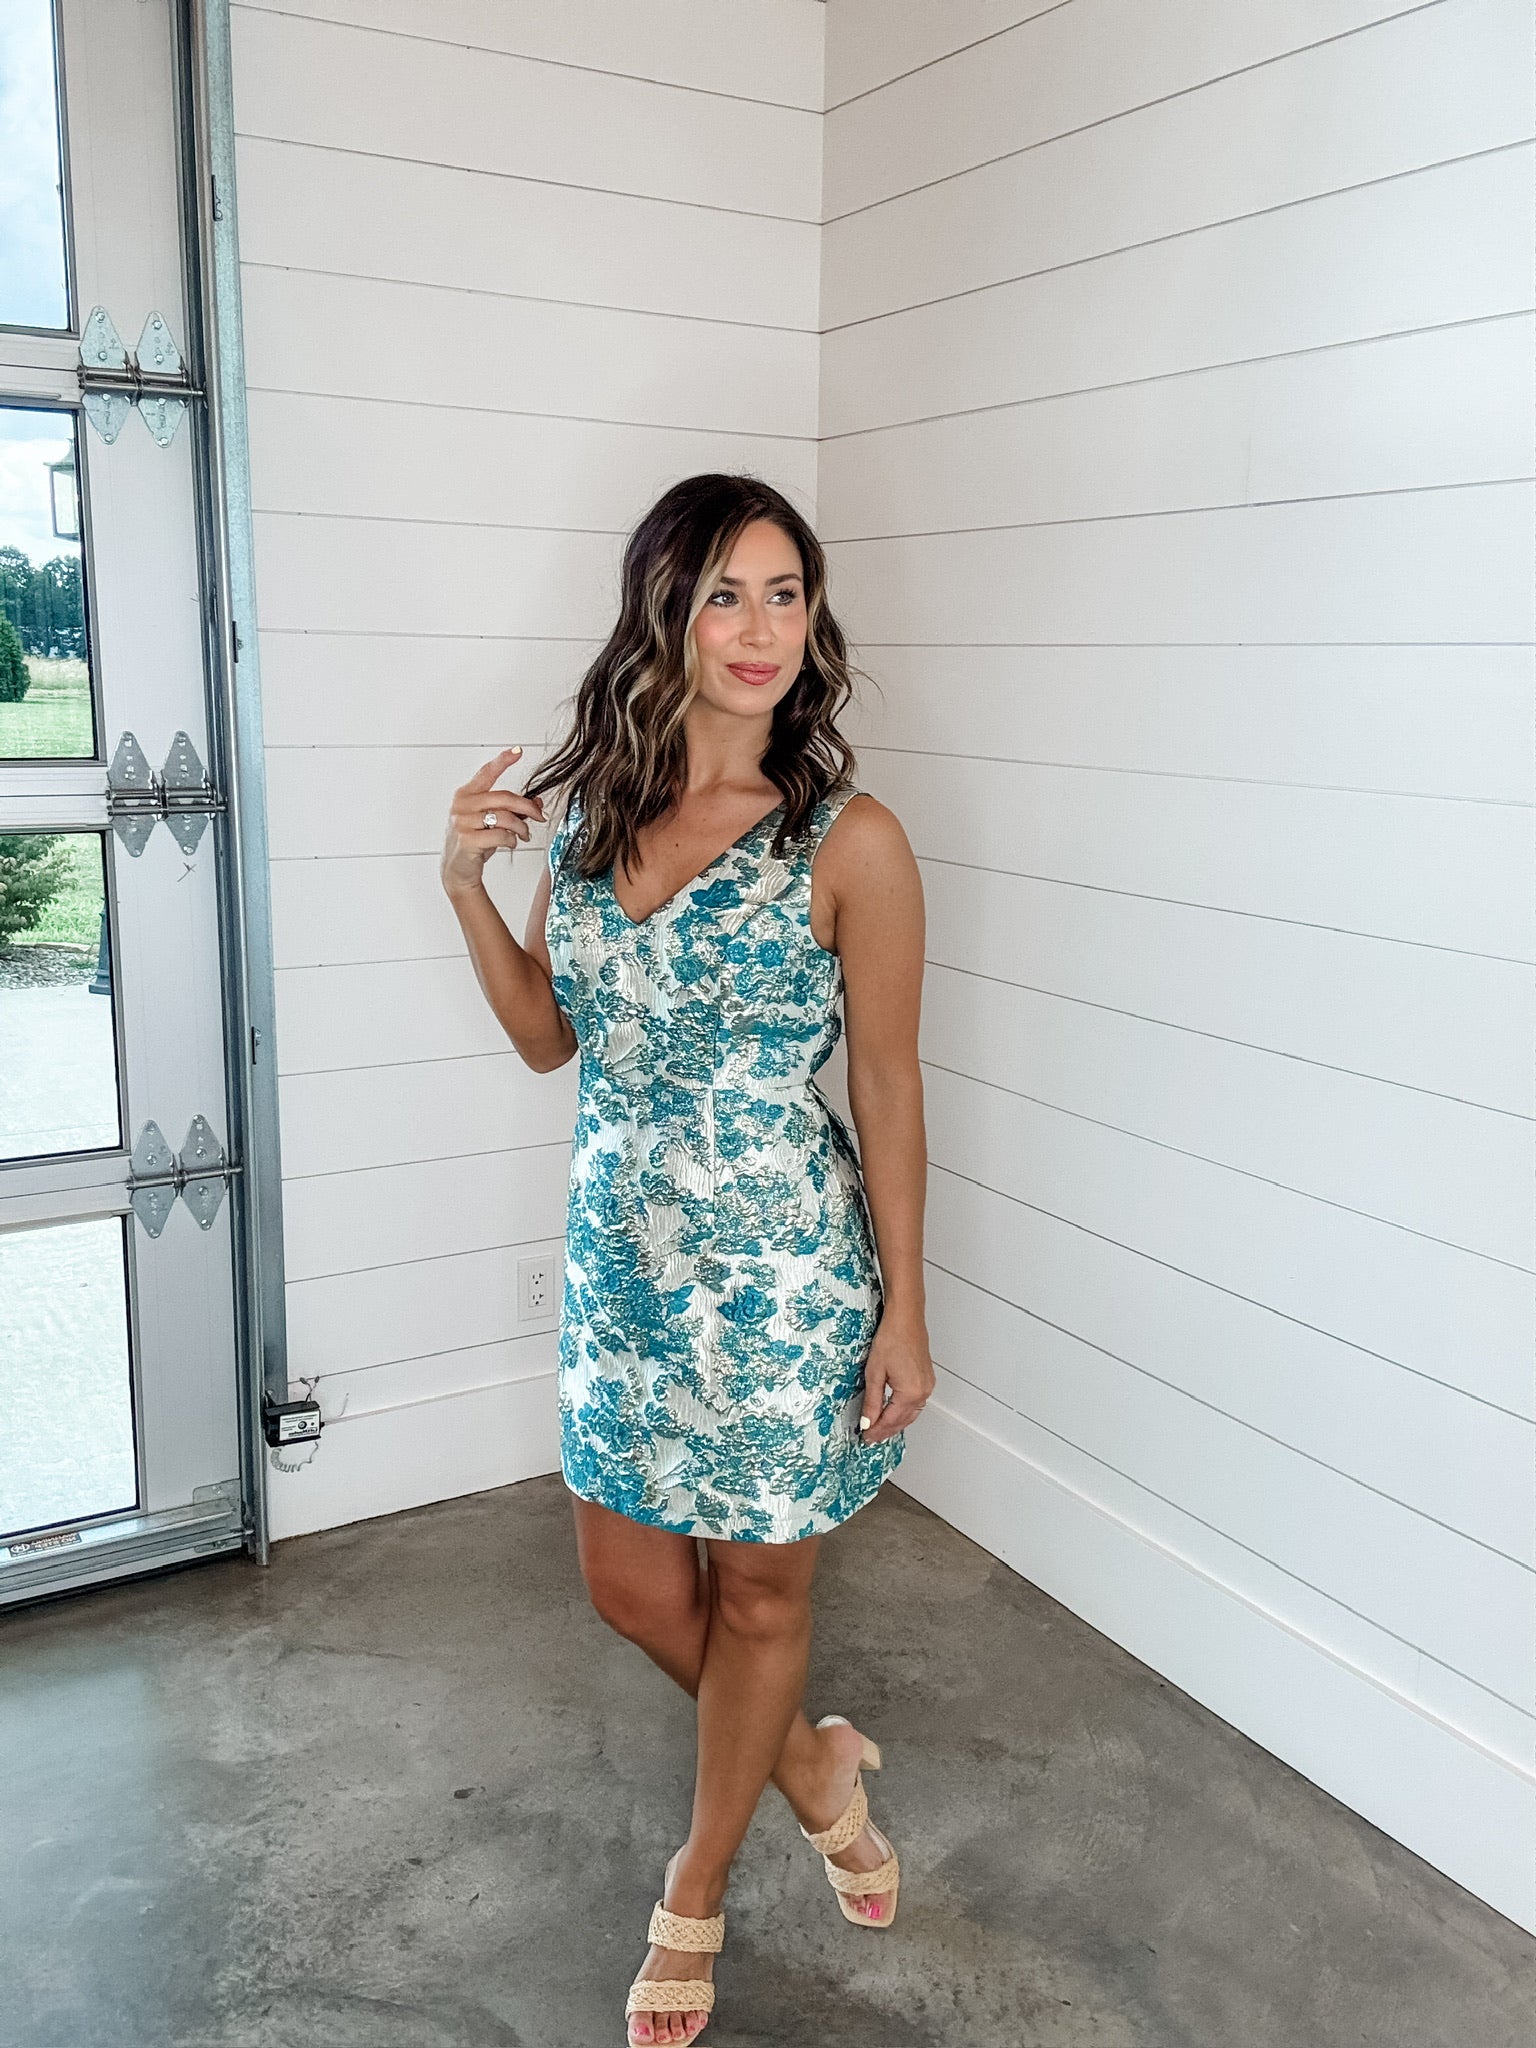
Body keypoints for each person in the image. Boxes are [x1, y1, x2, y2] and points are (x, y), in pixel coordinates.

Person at [440, 473, 933, 2043]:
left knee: (762, 1603)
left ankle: (696, 1889)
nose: (760, 628)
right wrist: (464, 887)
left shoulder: (850, 842)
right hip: (621, 1272)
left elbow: (888, 1085)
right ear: (667, 612)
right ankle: (812, 1765)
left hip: (784, 1282)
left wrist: (907, 1309)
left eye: (786, 593)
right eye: (726, 592)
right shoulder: (595, 816)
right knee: (633, 1588)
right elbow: (549, 1039)